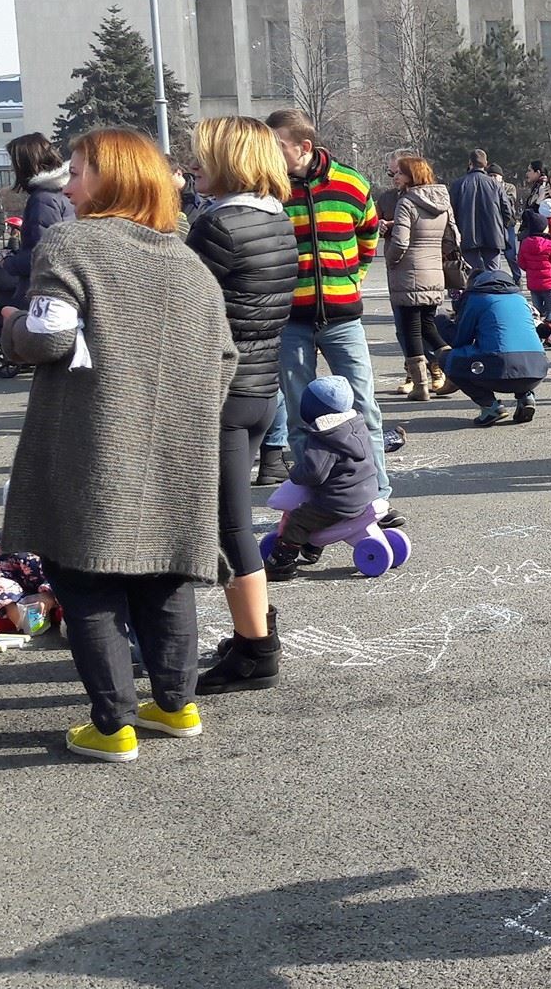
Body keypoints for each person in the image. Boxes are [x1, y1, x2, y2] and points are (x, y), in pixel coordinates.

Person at [0, 126, 237, 763]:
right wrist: (184, 416)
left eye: (78, 171)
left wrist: (13, 326)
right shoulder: (188, 263)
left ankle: (113, 726)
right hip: (176, 450)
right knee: (164, 575)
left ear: (113, 178)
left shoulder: (71, 242)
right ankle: (177, 705)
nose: (68, 184)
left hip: (92, 441)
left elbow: (49, 337)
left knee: (85, 575)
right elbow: (224, 358)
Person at [185, 115, 296, 694]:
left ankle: (257, 650)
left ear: (229, 161)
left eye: (202, 156)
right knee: (232, 521)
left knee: (231, 527)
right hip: (259, 388)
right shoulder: (275, 219)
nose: (192, 166)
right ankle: (252, 631)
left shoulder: (218, 226)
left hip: (222, 390)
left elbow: (185, 307)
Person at [264, 110, 400, 527]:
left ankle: (377, 498)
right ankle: (315, 501)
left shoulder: (351, 183)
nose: (269, 152)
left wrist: (352, 276)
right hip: (292, 319)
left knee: (364, 408)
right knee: (299, 414)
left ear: (303, 147)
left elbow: (369, 233)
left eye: (277, 145)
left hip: (343, 318)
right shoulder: (270, 190)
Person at [263, 376, 377, 581]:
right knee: (315, 510)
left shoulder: (324, 437)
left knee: (299, 519)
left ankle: (283, 561)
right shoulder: (355, 425)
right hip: (366, 491)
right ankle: (312, 546)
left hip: (339, 500)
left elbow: (314, 473)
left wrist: (295, 472)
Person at [382, 153, 455, 399]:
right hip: (434, 271)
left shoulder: (407, 202)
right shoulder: (443, 201)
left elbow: (401, 243)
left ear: (411, 175)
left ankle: (420, 385)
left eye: (400, 173)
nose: (396, 177)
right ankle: (453, 368)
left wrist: (391, 260)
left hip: (408, 273)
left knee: (411, 329)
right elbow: (452, 238)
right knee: (428, 326)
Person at [447, 261, 550, 426]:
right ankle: (526, 397)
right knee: (517, 349)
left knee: (450, 358)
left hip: (499, 370)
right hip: (536, 368)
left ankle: (490, 406)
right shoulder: (521, 299)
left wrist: (444, 323)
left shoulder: (478, 299)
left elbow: (460, 340)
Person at [4, 132, 74, 308]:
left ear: (25, 164)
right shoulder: (65, 193)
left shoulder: (42, 199)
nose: (12, 169)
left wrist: (8, 262)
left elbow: (43, 256)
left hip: (43, 293)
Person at [449, 148, 509, 276]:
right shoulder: (496, 185)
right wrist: (502, 227)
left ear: (470, 163)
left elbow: (451, 212)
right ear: (485, 164)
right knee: (494, 274)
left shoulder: (458, 185)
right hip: (493, 235)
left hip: (467, 234)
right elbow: (507, 211)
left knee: (472, 275)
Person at [518, 209, 551, 345]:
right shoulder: (550, 244)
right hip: (549, 282)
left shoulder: (525, 243)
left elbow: (521, 263)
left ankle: (537, 336)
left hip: (533, 283)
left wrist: (531, 269)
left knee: (537, 311)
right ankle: (546, 333)